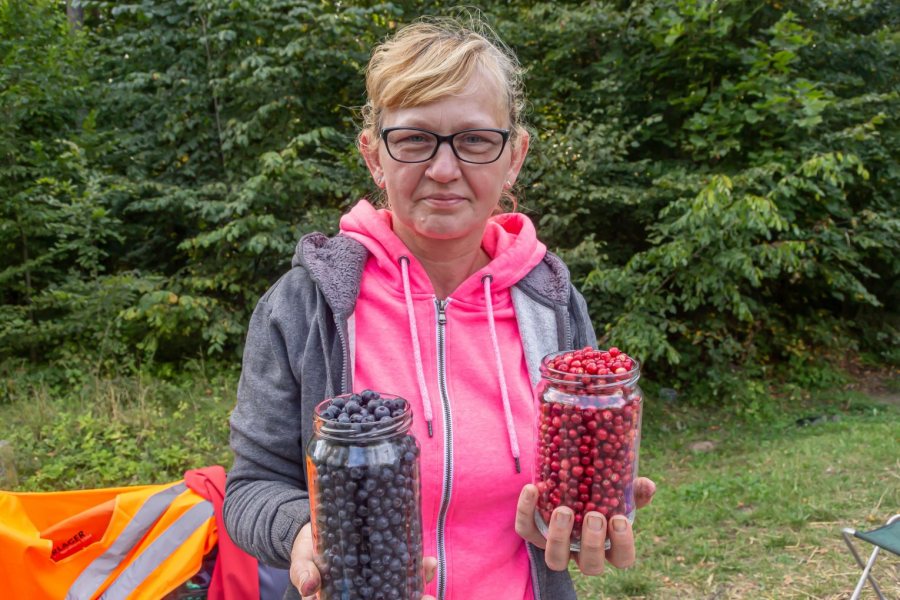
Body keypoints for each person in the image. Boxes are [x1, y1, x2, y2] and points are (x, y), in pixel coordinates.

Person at [223, 16, 656, 600]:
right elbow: (252, 487)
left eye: (475, 140)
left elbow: (577, 471)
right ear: (374, 155)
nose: (444, 169)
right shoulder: (306, 306)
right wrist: (306, 534)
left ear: (514, 156)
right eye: (413, 139)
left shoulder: (551, 303)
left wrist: (576, 520)